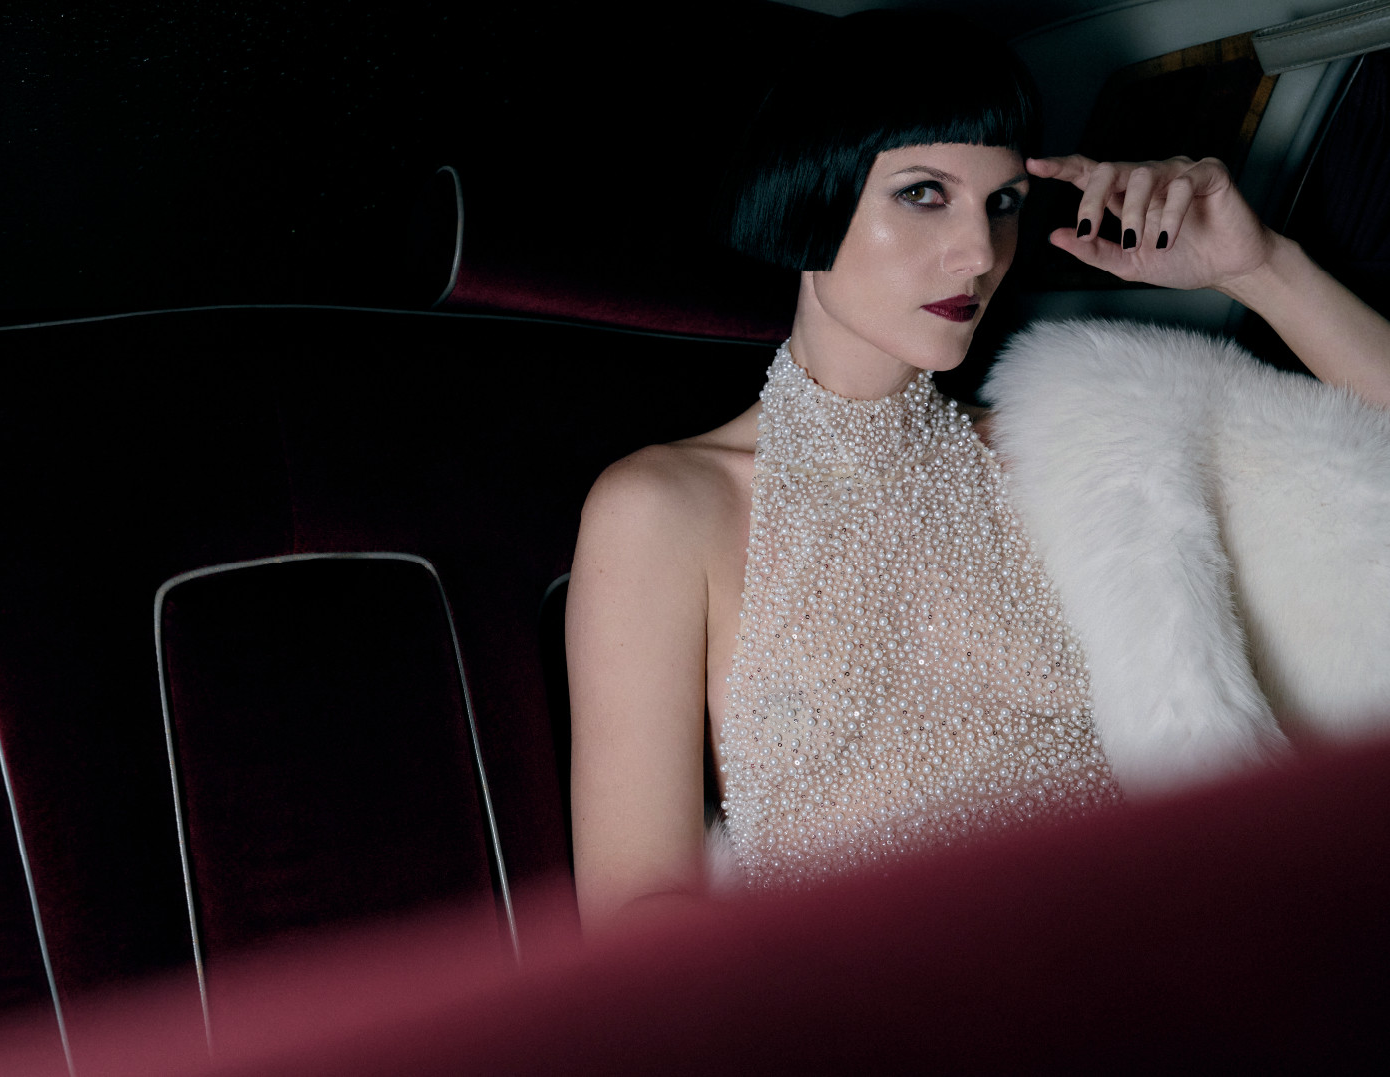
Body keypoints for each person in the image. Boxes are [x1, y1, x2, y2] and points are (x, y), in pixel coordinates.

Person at [565, 10, 1390, 932]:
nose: (979, 252)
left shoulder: (1078, 449)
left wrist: (1261, 267)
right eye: (924, 194)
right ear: (813, 194)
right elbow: (638, 916)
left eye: (1001, 204)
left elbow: (1369, 479)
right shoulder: (664, 508)